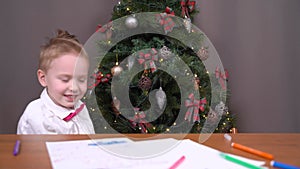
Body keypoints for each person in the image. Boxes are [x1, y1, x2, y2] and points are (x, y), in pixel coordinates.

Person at [17, 29, 95, 134]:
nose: (74, 87)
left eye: (81, 80)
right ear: (43, 78)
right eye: (65, 79)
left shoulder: (81, 109)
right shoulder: (37, 116)